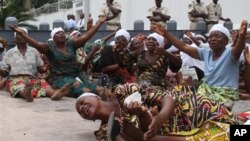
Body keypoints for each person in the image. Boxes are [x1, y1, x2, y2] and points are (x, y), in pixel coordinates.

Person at [75, 82, 241, 141]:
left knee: (238, 132)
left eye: (82, 102)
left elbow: (167, 98)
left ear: (97, 97)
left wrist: (160, 117)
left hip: (198, 110)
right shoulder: (106, 130)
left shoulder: (124, 91)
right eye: (80, 111)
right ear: (90, 120)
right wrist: (142, 118)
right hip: (186, 136)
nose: (82, 108)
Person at [149, 20, 248, 106]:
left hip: (224, 95)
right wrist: (165, 33)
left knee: (196, 103)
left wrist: (241, 37)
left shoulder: (231, 53)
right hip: (204, 87)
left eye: (217, 36)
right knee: (180, 88)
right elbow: (184, 47)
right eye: (211, 37)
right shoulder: (206, 52)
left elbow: (239, 47)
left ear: (226, 41)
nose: (213, 39)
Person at [9, 16, 108, 98]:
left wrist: (99, 23)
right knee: (85, 91)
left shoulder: (71, 44)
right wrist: (22, 34)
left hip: (77, 75)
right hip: (61, 78)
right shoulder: (49, 47)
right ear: (53, 38)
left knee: (98, 89)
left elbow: (86, 37)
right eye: (57, 33)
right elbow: (36, 44)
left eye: (62, 32)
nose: (61, 33)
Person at [0, 28, 69, 102]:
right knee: (18, 87)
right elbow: (5, 73)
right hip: (16, 78)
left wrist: (46, 66)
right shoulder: (9, 53)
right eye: (19, 34)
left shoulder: (34, 51)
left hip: (32, 78)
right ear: (15, 38)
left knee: (43, 84)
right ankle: (26, 95)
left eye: (24, 34)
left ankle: (55, 94)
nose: (22, 36)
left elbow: (40, 68)